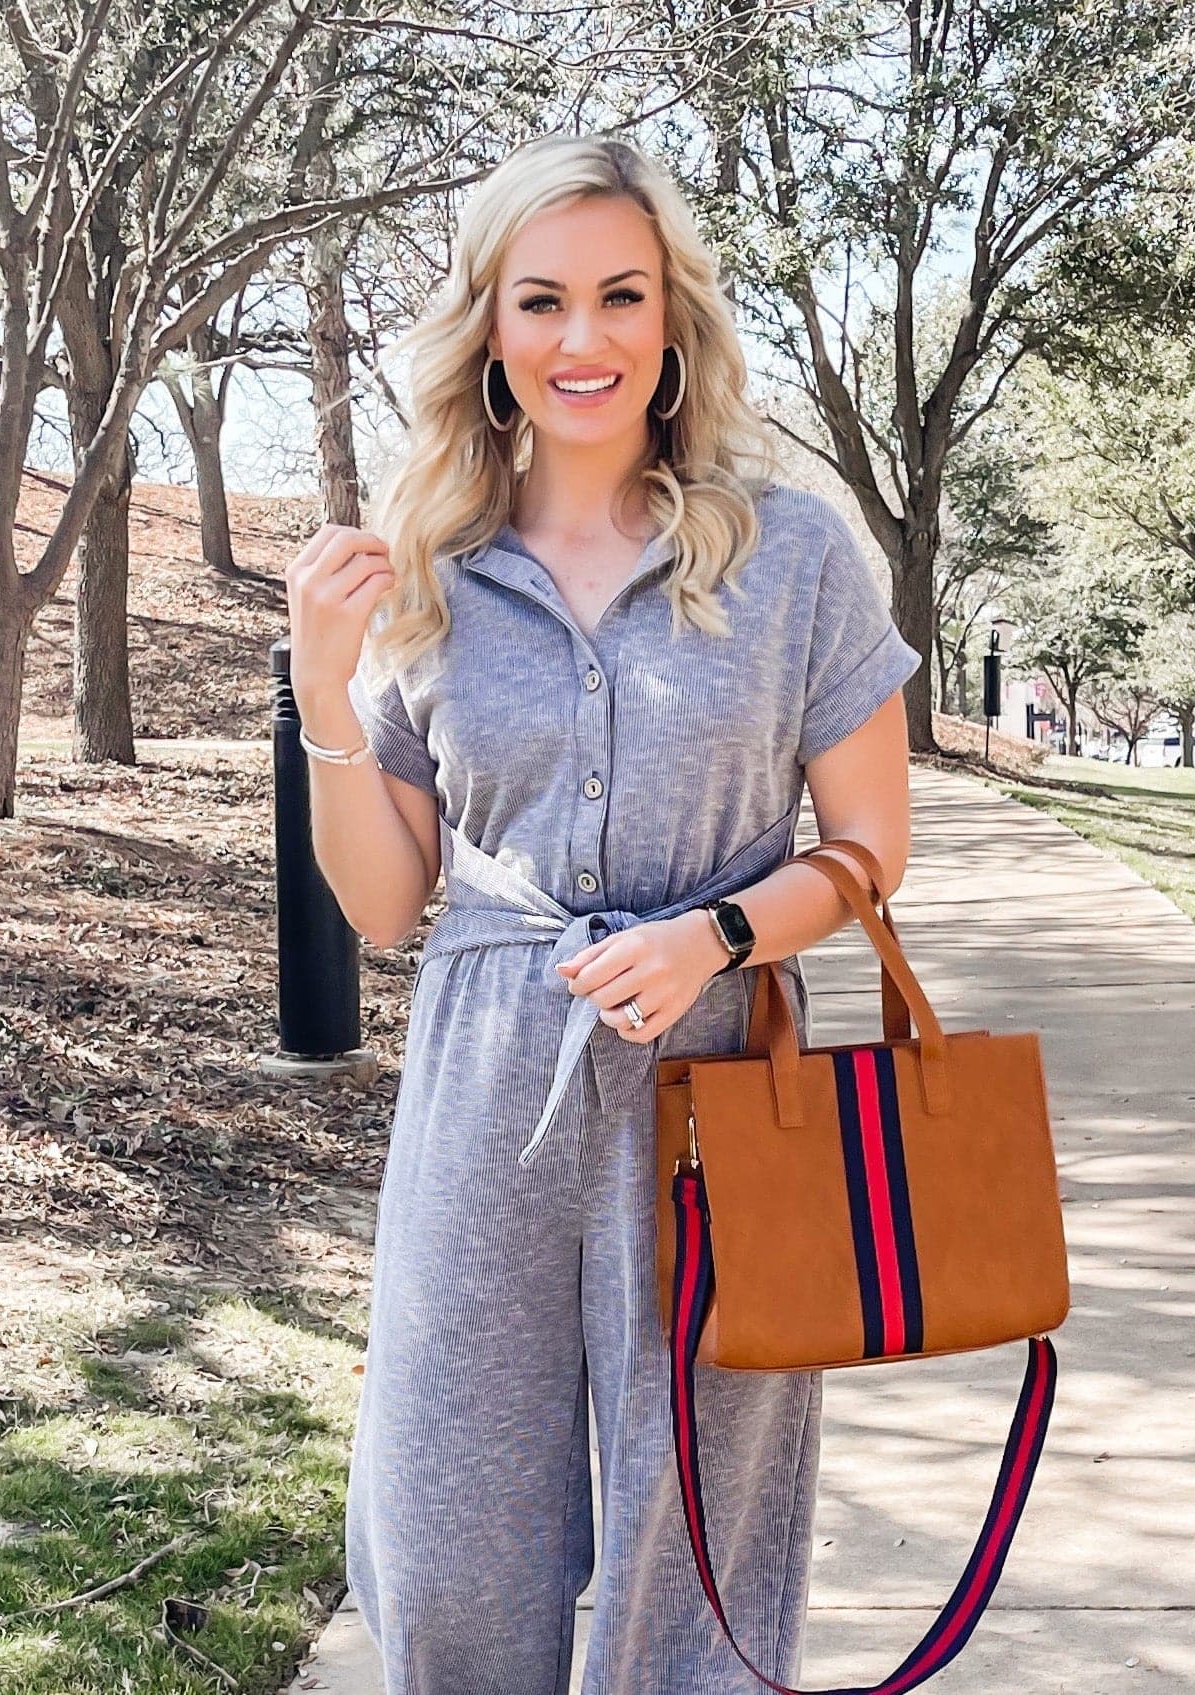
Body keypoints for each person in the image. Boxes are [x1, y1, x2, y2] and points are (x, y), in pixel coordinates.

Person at [283, 132, 922, 1695]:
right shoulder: (428, 571)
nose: (585, 338)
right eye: (544, 300)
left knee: (695, 1549)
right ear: (490, 327)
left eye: (621, 296)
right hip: (484, 1080)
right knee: (443, 1539)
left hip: (722, 1089)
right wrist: (320, 688)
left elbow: (869, 849)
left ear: (672, 317)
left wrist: (718, 936)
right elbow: (385, 904)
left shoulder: (793, 554)